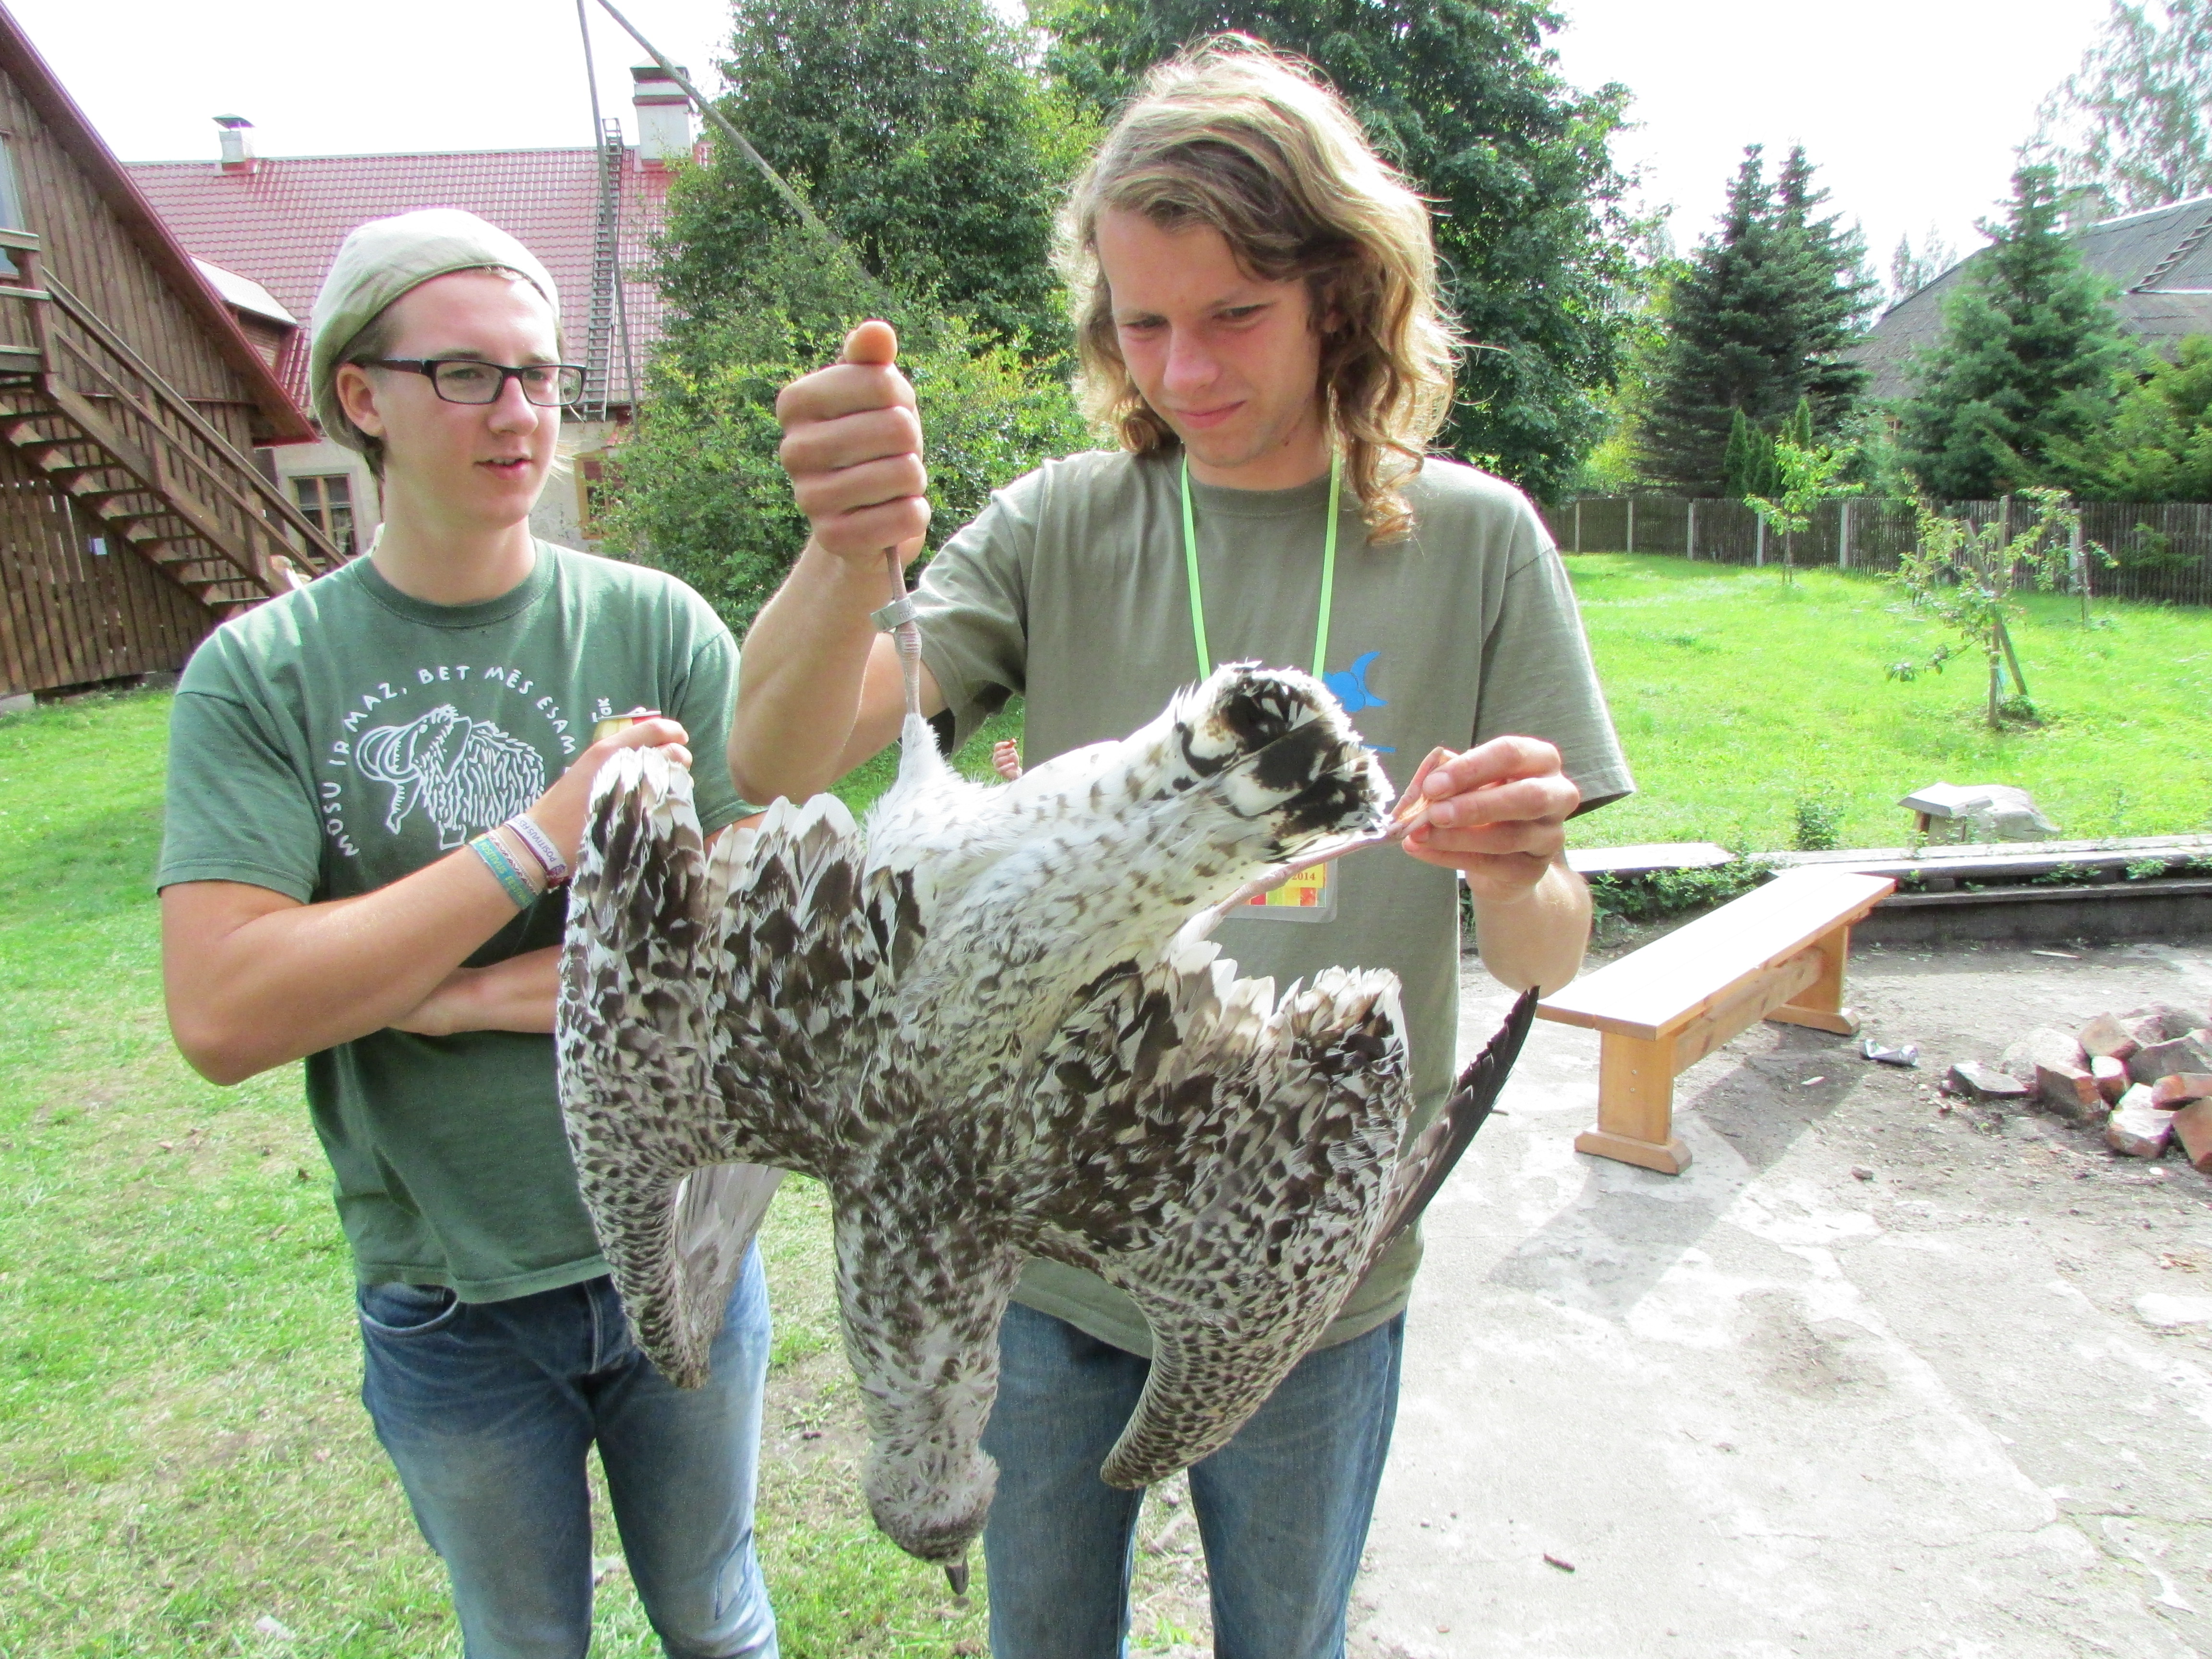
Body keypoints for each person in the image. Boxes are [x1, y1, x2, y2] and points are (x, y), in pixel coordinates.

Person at [732, 36, 1633, 1659]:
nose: (1185, 370)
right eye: (1143, 323)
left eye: (1234, 315)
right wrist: (841, 552)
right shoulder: (1062, 523)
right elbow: (781, 755)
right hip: (1043, 1255)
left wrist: (1518, 869)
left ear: (1342, 296)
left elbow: (1546, 954)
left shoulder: (1478, 540)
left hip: (1313, 1270)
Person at [157, 209, 779, 1659]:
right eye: (466, 375)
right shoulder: (263, 674)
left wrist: (447, 993)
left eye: (540, 375)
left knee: (717, 1614)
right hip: (451, 1291)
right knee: (521, 1640)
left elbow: (753, 957)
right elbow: (228, 1014)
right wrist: (545, 837)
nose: (518, 413)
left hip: (690, 1240)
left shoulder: (660, 626)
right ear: (359, 396)